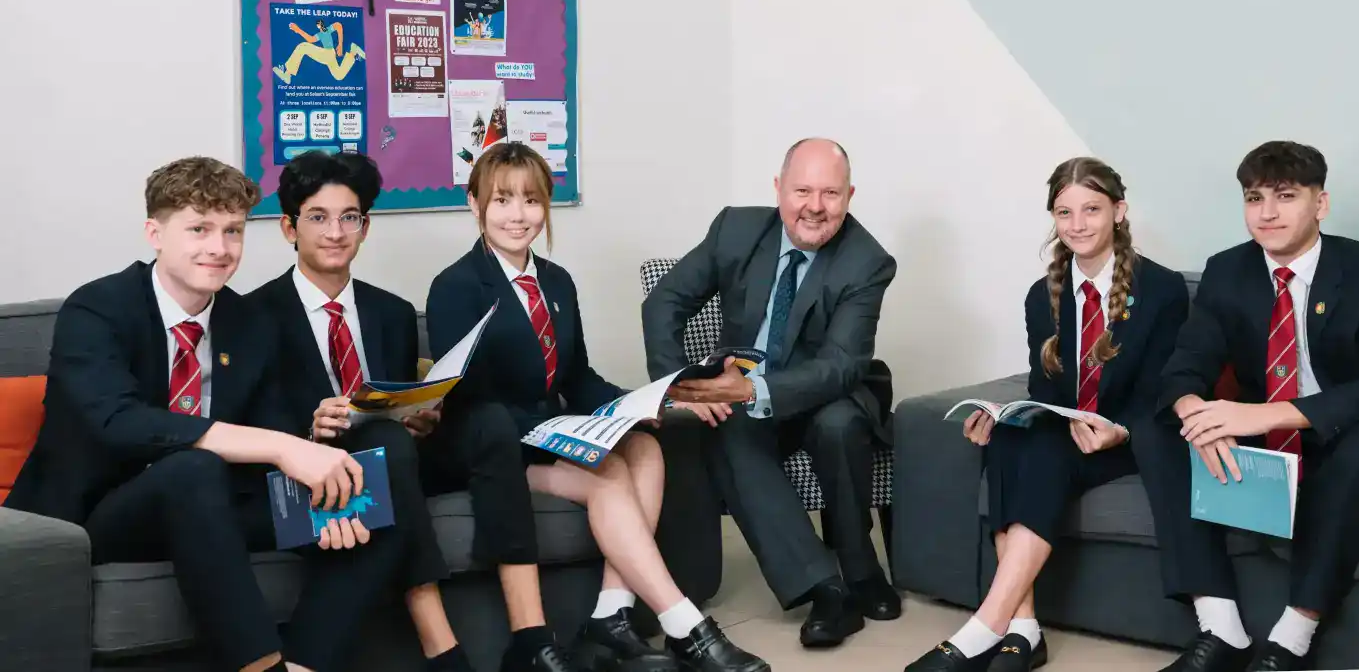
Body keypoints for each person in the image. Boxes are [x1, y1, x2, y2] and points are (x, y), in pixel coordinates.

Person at [3, 156, 405, 672]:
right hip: (101, 515)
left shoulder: (249, 320)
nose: (218, 248)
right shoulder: (97, 309)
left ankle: (304, 664)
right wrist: (288, 448)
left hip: (216, 508)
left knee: (369, 505)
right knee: (192, 468)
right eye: (199, 228)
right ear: (155, 233)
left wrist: (318, 497)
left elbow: (273, 425)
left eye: (232, 231)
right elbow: (118, 422)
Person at [425, 142, 768, 672]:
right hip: (493, 445)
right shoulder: (455, 287)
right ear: (475, 205)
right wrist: (564, 431)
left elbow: (578, 376)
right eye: (502, 201)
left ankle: (612, 612)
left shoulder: (557, 281)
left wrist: (638, 404)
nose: (519, 216)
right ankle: (685, 623)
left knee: (647, 447)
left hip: (550, 429)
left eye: (532, 201)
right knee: (607, 472)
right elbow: (467, 401)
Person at [1140, 141, 1359, 672]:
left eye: (1285, 196)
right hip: (1263, 442)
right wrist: (1198, 412)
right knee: (1158, 427)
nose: (1266, 213)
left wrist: (1269, 413)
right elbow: (1183, 366)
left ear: (1322, 203)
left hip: (1340, 437)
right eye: (1254, 198)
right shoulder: (1228, 271)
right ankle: (1220, 627)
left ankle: (1293, 636)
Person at [904, 157, 1190, 671]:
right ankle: (1024, 627)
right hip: (1067, 433)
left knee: (1043, 448)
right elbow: (1042, 388)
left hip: (1127, 439)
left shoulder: (1164, 290)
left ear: (1119, 212)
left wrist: (1115, 431)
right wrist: (1002, 413)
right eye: (1064, 212)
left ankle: (985, 626)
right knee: (1011, 438)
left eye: (1091, 210)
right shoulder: (1043, 296)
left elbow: (1164, 393)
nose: (1077, 225)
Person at [642, 138, 900, 650]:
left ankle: (859, 565)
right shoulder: (736, 228)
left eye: (830, 193)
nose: (815, 206)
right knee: (724, 427)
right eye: (802, 189)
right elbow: (664, 301)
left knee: (839, 425)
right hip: (741, 395)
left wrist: (756, 387)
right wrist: (676, 388)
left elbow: (841, 364)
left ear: (850, 196)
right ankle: (826, 589)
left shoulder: (867, 261)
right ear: (778, 188)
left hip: (826, 390)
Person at [247, 151, 472, 670]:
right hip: (302, 479)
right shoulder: (252, 316)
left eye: (350, 217)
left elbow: (393, 406)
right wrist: (310, 428)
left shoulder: (391, 312)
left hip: (386, 463)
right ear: (288, 227)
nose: (335, 232)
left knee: (396, 443)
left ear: (365, 227)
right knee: (390, 451)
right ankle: (439, 640)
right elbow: (248, 423)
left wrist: (421, 419)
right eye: (318, 218)